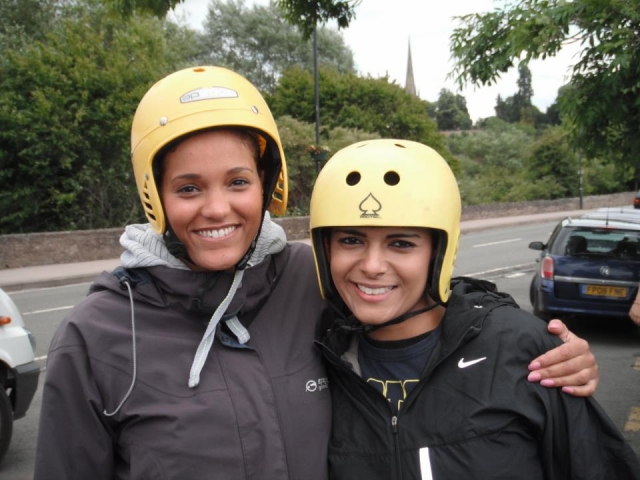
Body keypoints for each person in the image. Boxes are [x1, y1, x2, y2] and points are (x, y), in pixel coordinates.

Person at [34, 66, 598, 479]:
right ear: (153, 194)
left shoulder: (307, 277)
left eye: (237, 181)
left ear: (267, 184)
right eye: (188, 188)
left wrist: (528, 339)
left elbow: (414, 292)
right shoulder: (98, 333)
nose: (216, 208)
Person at [310, 139, 640, 479]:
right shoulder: (313, 361)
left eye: (401, 243)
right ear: (325, 250)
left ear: (438, 254)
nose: (373, 265)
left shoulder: (522, 351)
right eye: (351, 240)